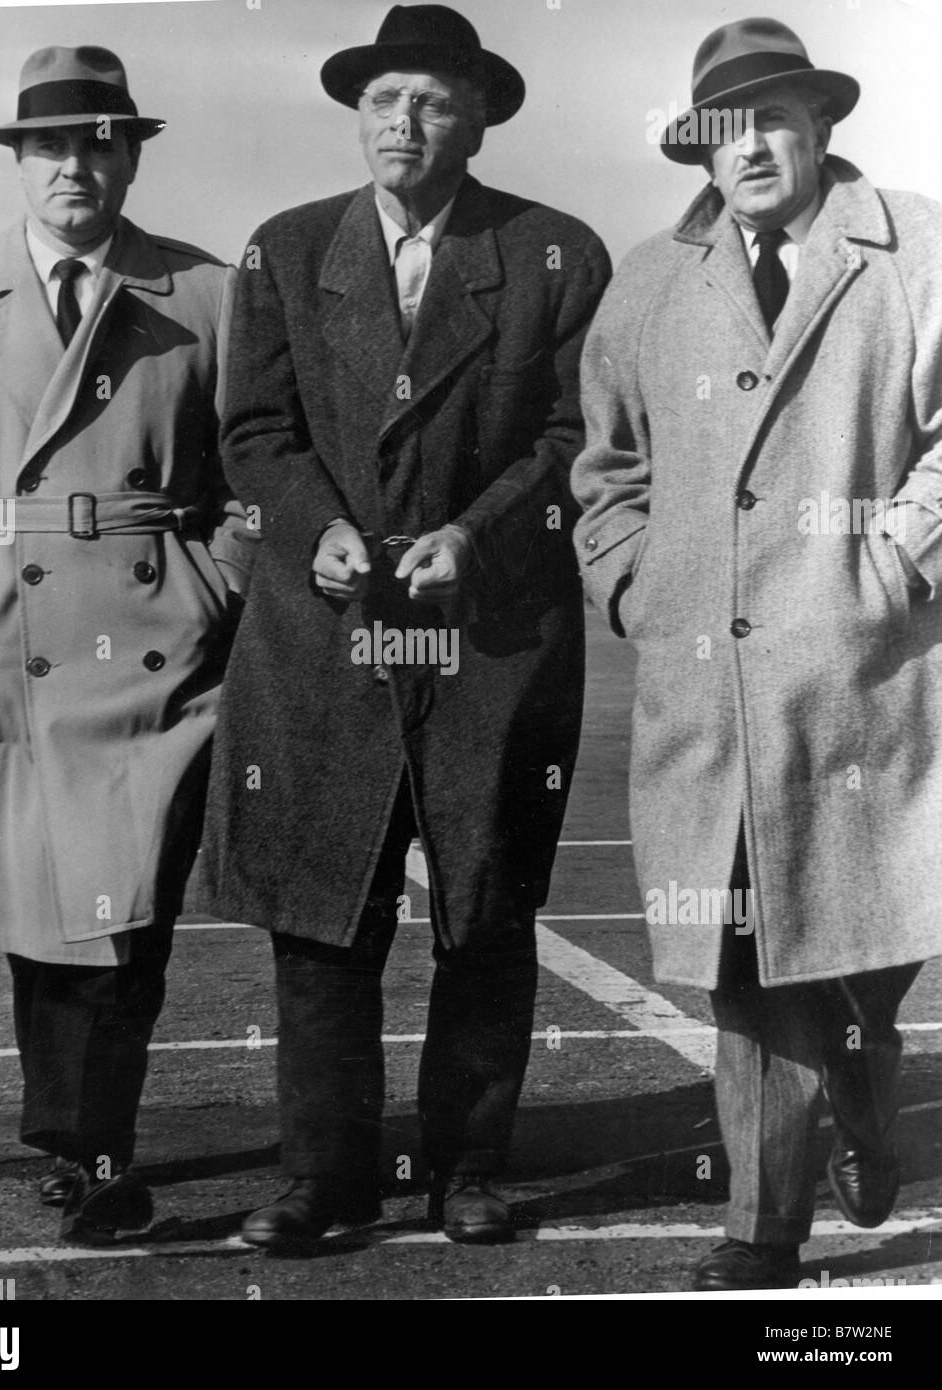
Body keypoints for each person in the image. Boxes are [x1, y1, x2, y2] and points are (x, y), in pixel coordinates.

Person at [201, 4, 610, 1249]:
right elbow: (254, 433)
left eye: (433, 100)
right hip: (323, 630)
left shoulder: (554, 252)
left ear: (478, 115)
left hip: (486, 632)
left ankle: (467, 1166)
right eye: (384, 99)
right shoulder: (282, 251)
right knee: (324, 911)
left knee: (485, 906)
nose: (405, 121)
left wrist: (475, 535)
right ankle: (321, 1178)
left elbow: (573, 435)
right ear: (357, 113)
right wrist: (310, 524)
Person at [571, 17, 942, 1290]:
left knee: (858, 963)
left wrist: (894, 560)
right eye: (725, 129)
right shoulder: (649, 279)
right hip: (707, 687)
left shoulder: (916, 247)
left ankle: (863, 1097)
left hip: (864, 681)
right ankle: (763, 1228)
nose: (751, 149)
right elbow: (604, 469)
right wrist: (632, 587)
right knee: (744, 961)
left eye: (774, 117)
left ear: (821, 126)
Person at [0, 45, 254, 1244]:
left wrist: (214, 587)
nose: (75, 166)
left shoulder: (206, 292)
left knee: (121, 907)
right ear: (20, 163)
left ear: (132, 155)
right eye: (51, 146)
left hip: (157, 641)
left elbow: (255, 480)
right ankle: (71, 1130)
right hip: (1, 632)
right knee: (40, 914)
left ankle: (99, 1153)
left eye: (100, 142)